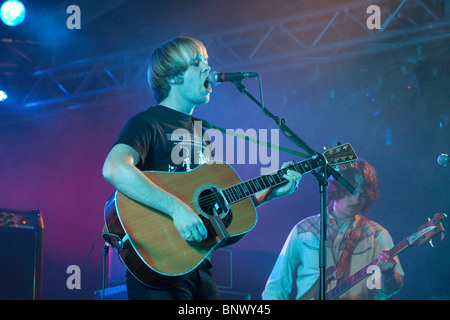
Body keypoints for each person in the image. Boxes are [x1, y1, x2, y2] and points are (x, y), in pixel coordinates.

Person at [102, 36, 302, 300]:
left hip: (198, 267)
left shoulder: (202, 134)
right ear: (173, 78)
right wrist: (176, 209)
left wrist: (269, 193)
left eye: (206, 62)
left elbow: (215, 209)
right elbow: (114, 168)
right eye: (197, 63)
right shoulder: (147, 123)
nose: (208, 69)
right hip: (158, 267)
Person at [262, 160, 404, 300]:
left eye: (362, 195)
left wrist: (388, 274)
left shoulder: (377, 235)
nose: (356, 201)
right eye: (351, 192)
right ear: (336, 188)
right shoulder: (303, 230)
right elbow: (276, 286)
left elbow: (390, 292)